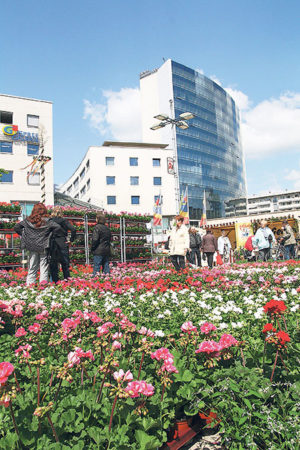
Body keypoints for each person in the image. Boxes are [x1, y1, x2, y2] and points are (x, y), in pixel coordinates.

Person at [14, 203, 61, 286]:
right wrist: (50, 234)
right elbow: (58, 227)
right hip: (43, 246)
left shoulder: (27, 221)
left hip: (31, 246)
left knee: (32, 267)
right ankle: (43, 288)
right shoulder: (48, 222)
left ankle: (30, 287)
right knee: (44, 268)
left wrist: (25, 235)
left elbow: (16, 227)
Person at [49, 206, 76, 282]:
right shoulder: (64, 221)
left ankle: (55, 282)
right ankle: (67, 281)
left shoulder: (50, 221)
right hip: (62, 242)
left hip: (53, 242)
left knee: (53, 264)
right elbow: (73, 229)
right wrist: (71, 240)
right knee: (65, 264)